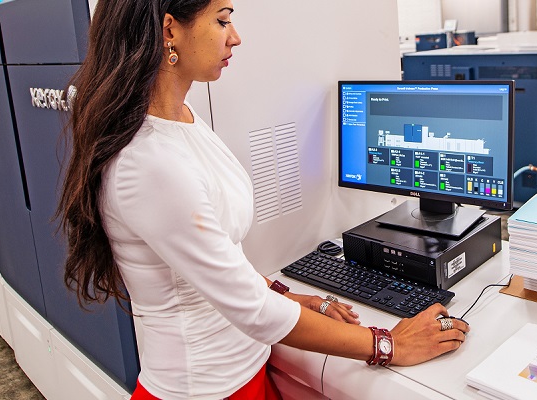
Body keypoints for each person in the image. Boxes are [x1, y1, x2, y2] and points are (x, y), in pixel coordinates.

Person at [57, 1, 470, 399]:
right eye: (222, 21)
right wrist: (387, 344)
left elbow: (220, 261)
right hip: (205, 388)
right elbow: (252, 310)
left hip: (246, 368)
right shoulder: (149, 163)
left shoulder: (181, 118)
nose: (235, 37)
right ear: (169, 30)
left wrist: (285, 294)